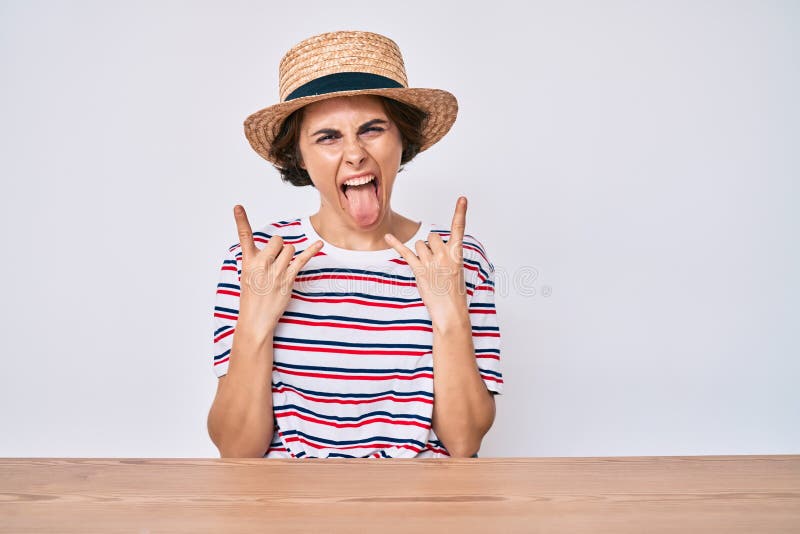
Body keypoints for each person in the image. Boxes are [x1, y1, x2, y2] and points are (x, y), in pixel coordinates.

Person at [207, 30, 503, 459]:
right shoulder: (258, 261)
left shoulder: (456, 257)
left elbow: (464, 443)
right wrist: (255, 321)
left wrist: (449, 315)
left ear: (403, 140)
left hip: (419, 513)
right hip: (290, 514)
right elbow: (237, 450)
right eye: (328, 137)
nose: (355, 154)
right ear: (300, 158)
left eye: (373, 129)